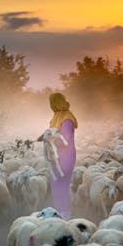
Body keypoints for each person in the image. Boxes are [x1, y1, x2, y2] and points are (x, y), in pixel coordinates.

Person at [45, 92, 78, 220]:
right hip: (56, 156)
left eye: (52, 103)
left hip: (66, 156)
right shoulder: (56, 117)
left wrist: (50, 140)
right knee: (55, 184)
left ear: (56, 103)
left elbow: (66, 139)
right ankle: (59, 212)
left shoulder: (67, 118)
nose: (50, 106)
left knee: (62, 184)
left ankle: (66, 215)